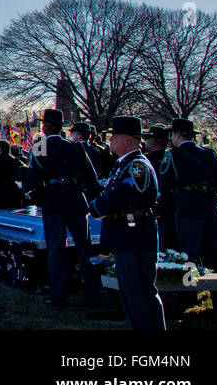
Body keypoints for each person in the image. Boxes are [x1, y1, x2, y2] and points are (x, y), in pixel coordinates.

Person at [88, 116, 166, 330]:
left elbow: (121, 196)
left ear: (128, 141)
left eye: (115, 136)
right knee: (134, 291)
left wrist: (96, 206)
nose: (110, 140)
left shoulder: (136, 166)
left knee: (138, 290)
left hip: (134, 235)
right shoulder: (125, 164)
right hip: (129, 234)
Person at [24, 108, 100, 308]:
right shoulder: (75, 147)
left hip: (54, 198)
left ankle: (58, 294)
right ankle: (92, 292)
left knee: (56, 249)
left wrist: (40, 194)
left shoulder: (41, 145)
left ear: (47, 126)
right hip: (76, 198)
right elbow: (92, 179)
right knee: (84, 248)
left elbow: (33, 177)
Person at [159, 118, 217, 272]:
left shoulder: (173, 155)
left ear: (179, 135)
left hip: (188, 207)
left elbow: (165, 182)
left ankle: (190, 288)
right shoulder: (209, 153)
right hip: (210, 205)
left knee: (189, 253)